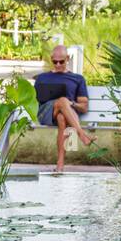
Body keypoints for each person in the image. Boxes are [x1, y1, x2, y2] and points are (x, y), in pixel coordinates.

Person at [33, 45, 94, 173]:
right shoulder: (42, 78)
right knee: (62, 100)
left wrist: (71, 104)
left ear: (68, 58)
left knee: (62, 117)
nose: (58, 64)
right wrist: (62, 101)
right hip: (46, 112)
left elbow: (84, 107)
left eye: (62, 61)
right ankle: (82, 135)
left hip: (67, 113)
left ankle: (60, 165)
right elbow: (38, 100)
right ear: (51, 60)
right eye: (55, 62)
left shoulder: (77, 79)